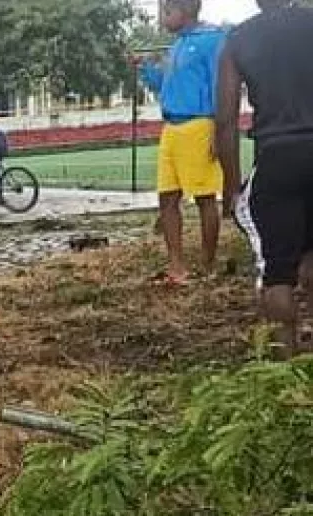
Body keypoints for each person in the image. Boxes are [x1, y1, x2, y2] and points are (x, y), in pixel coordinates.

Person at [217, 0, 313, 356]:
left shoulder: (239, 39)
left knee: (277, 270)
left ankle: (284, 370)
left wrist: (232, 185)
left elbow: (225, 120)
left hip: (277, 157)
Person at [136, 0, 227, 285]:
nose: (163, 19)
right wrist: (145, 70)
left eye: (167, 12)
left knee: (204, 198)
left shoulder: (211, 40)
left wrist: (217, 129)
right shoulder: (176, 45)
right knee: (167, 197)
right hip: (171, 127)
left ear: (184, 11)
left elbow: (220, 84)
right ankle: (177, 266)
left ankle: (207, 265)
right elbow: (164, 84)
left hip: (198, 124)